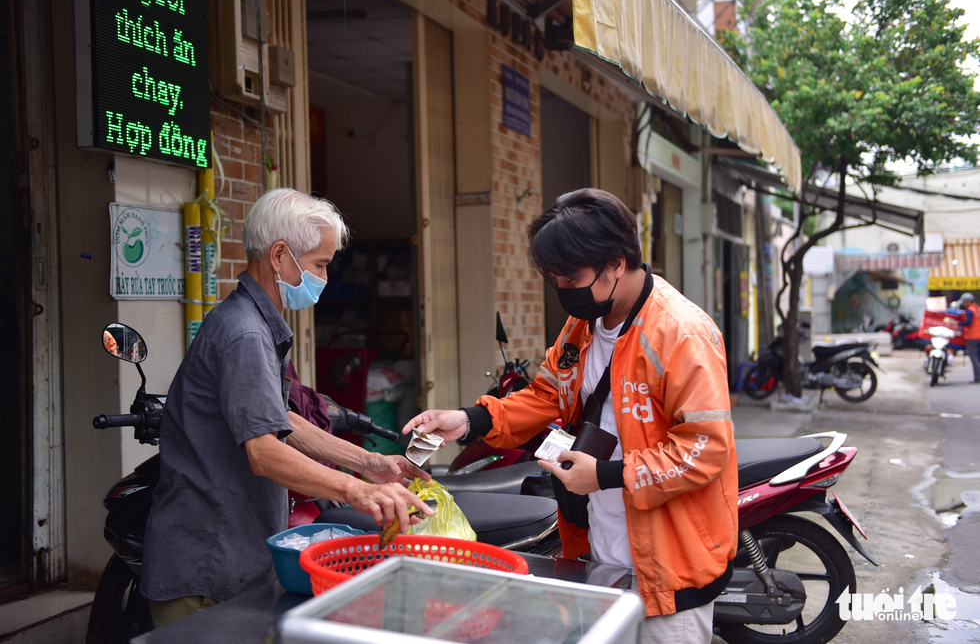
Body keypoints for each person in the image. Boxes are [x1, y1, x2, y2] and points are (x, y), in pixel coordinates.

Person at [404, 188, 737, 644]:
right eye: (556, 278)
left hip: (672, 563)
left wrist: (604, 475)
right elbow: (546, 395)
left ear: (616, 263)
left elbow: (706, 448)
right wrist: (469, 420)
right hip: (602, 548)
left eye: (572, 277)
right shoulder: (583, 325)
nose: (563, 289)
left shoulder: (682, 333)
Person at [142, 188, 432, 627]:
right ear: (279, 256)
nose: (325, 278)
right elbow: (264, 450)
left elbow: (281, 420)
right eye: (319, 264)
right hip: (206, 567)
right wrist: (356, 490)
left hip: (229, 558)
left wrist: (367, 462)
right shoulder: (245, 334)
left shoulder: (254, 323)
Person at [961, 292, 980, 383]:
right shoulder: (977, 308)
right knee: (978, 357)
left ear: (968, 301)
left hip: (972, 336)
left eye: (964, 302)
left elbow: (968, 322)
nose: (964, 304)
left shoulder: (970, 310)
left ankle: (977, 378)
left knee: (974, 357)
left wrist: (957, 323)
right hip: (978, 335)